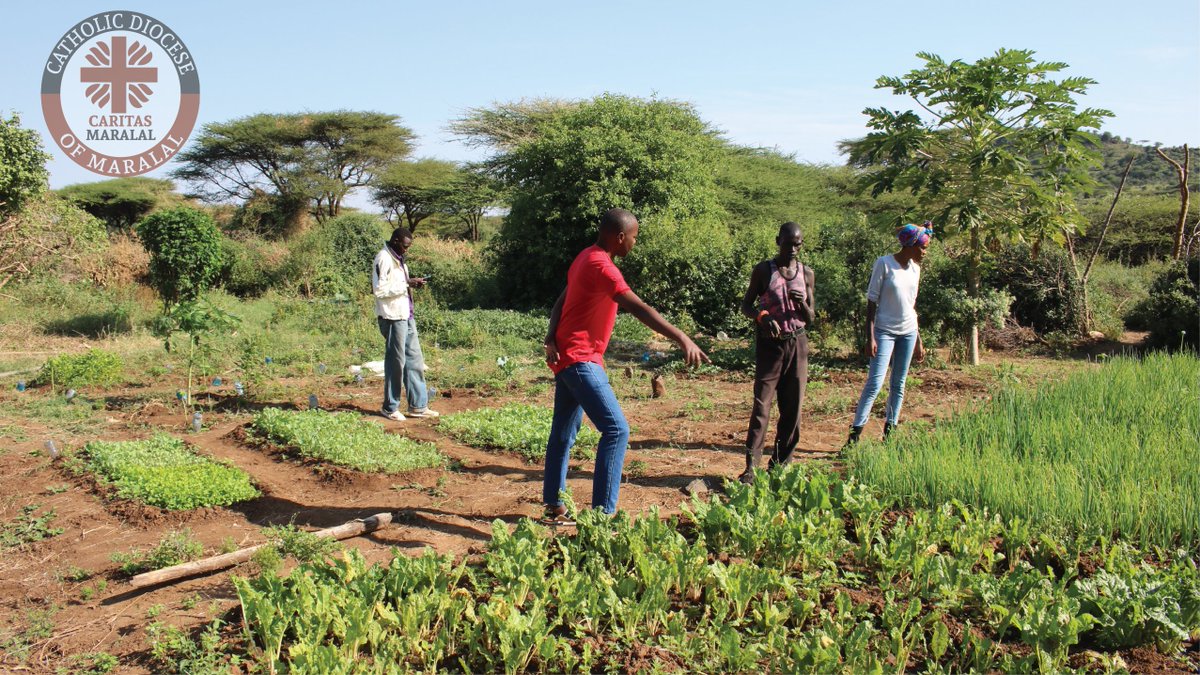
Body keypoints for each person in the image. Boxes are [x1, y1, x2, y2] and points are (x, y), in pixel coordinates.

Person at [542, 208, 709, 523]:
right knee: (617, 430)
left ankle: (554, 502)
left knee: (563, 433)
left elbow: (560, 301)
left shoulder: (585, 257)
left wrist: (551, 337)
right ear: (619, 237)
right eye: (634, 237)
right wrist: (683, 338)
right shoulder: (603, 267)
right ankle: (603, 516)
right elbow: (641, 309)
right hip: (580, 360)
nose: (635, 242)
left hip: (568, 358)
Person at [739, 222, 815, 483]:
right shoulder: (764, 270)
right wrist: (762, 316)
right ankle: (751, 468)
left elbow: (811, 317)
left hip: (798, 343)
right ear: (777, 241)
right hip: (770, 345)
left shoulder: (806, 274)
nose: (793, 248)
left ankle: (780, 464)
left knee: (793, 408)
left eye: (798, 243)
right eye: (788, 243)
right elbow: (746, 304)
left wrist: (802, 303)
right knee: (762, 405)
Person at [845, 222, 932, 446]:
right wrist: (870, 336)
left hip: (908, 332)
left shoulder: (915, 269)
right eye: (922, 248)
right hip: (884, 332)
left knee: (898, 384)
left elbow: (911, 306)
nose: (924, 252)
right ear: (910, 245)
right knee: (874, 383)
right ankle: (854, 437)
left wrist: (918, 340)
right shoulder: (884, 264)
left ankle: (889, 435)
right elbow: (871, 301)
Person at [372, 227, 439, 421]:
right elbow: (379, 290)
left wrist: (411, 282)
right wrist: (407, 284)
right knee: (396, 362)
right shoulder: (383, 258)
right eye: (405, 246)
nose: (406, 250)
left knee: (415, 360)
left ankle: (418, 406)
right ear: (395, 241)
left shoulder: (398, 259)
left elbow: (400, 285)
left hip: (406, 315)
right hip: (392, 317)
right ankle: (390, 407)